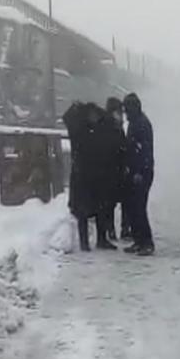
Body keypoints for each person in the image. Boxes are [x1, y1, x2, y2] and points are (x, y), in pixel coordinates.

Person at [63, 102, 122, 252]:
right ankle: (85, 243)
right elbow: (68, 117)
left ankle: (101, 240)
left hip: (97, 176)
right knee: (83, 211)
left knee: (100, 209)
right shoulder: (79, 129)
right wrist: (78, 107)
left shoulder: (98, 129)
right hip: (82, 176)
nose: (93, 118)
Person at [123, 93, 155, 256]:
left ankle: (146, 242)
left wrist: (140, 172)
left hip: (141, 172)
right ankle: (138, 239)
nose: (125, 113)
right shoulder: (136, 122)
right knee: (132, 207)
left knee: (139, 207)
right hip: (135, 171)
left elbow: (145, 151)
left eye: (127, 109)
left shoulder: (141, 124)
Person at [104, 97, 131, 241]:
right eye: (118, 111)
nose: (121, 114)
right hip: (112, 171)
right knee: (111, 203)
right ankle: (113, 229)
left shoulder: (117, 127)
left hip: (118, 170)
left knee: (121, 201)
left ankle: (122, 228)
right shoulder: (109, 127)